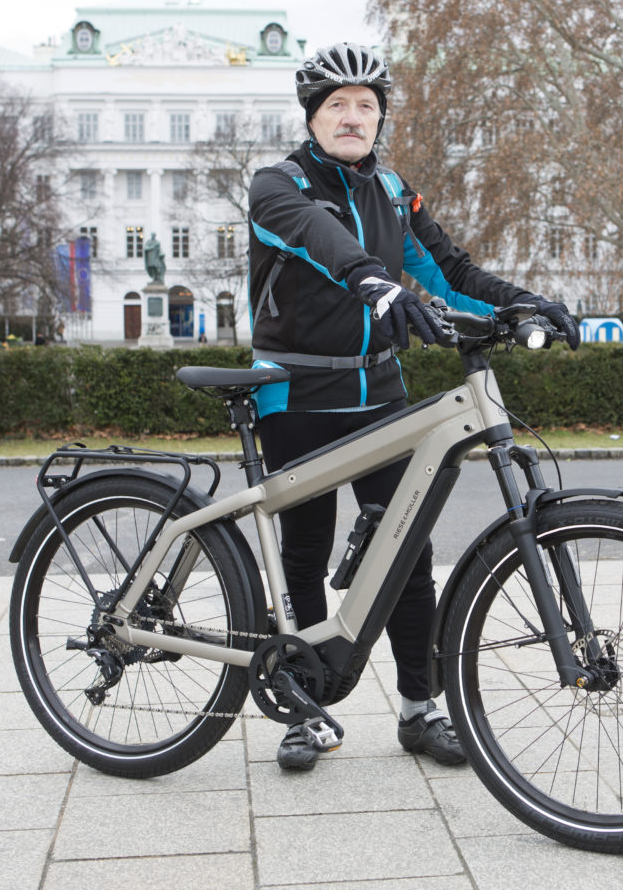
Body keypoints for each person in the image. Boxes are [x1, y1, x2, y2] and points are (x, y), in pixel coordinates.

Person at [247, 41, 580, 771]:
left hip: (381, 395)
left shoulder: (395, 194)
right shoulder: (277, 185)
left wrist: (524, 300)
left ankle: (419, 708)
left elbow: (450, 272)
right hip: (295, 392)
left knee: (407, 556)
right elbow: (317, 237)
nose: (352, 115)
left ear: (379, 119)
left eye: (366, 105)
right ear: (312, 116)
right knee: (303, 553)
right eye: (337, 104)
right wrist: (372, 279)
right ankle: (304, 709)